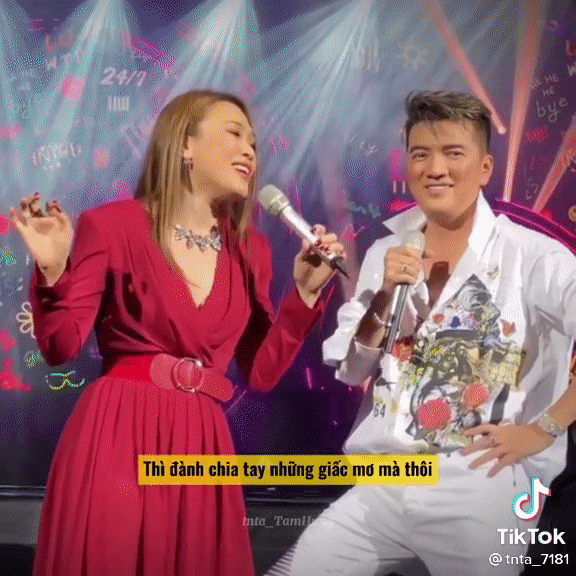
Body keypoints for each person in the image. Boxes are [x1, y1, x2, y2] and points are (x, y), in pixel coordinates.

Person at [9, 89, 344, 576]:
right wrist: (54, 269)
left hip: (201, 441)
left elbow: (261, 373)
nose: (249, 150)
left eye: (254, 142)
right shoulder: (113, 225)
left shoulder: (253, 250)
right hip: (118, 430)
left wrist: (306, 295)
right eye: (234, 134)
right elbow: (60, 346)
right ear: (185, 144)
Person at [267, 91, 576, 576]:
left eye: (453, 153)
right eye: (420, 154)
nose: (435, 169)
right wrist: (385, 294)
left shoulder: (534, 257)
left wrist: (543, 430)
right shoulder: (384, 253)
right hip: (385, 478)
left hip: (478, 481)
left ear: (485, 168)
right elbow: (352, 371)